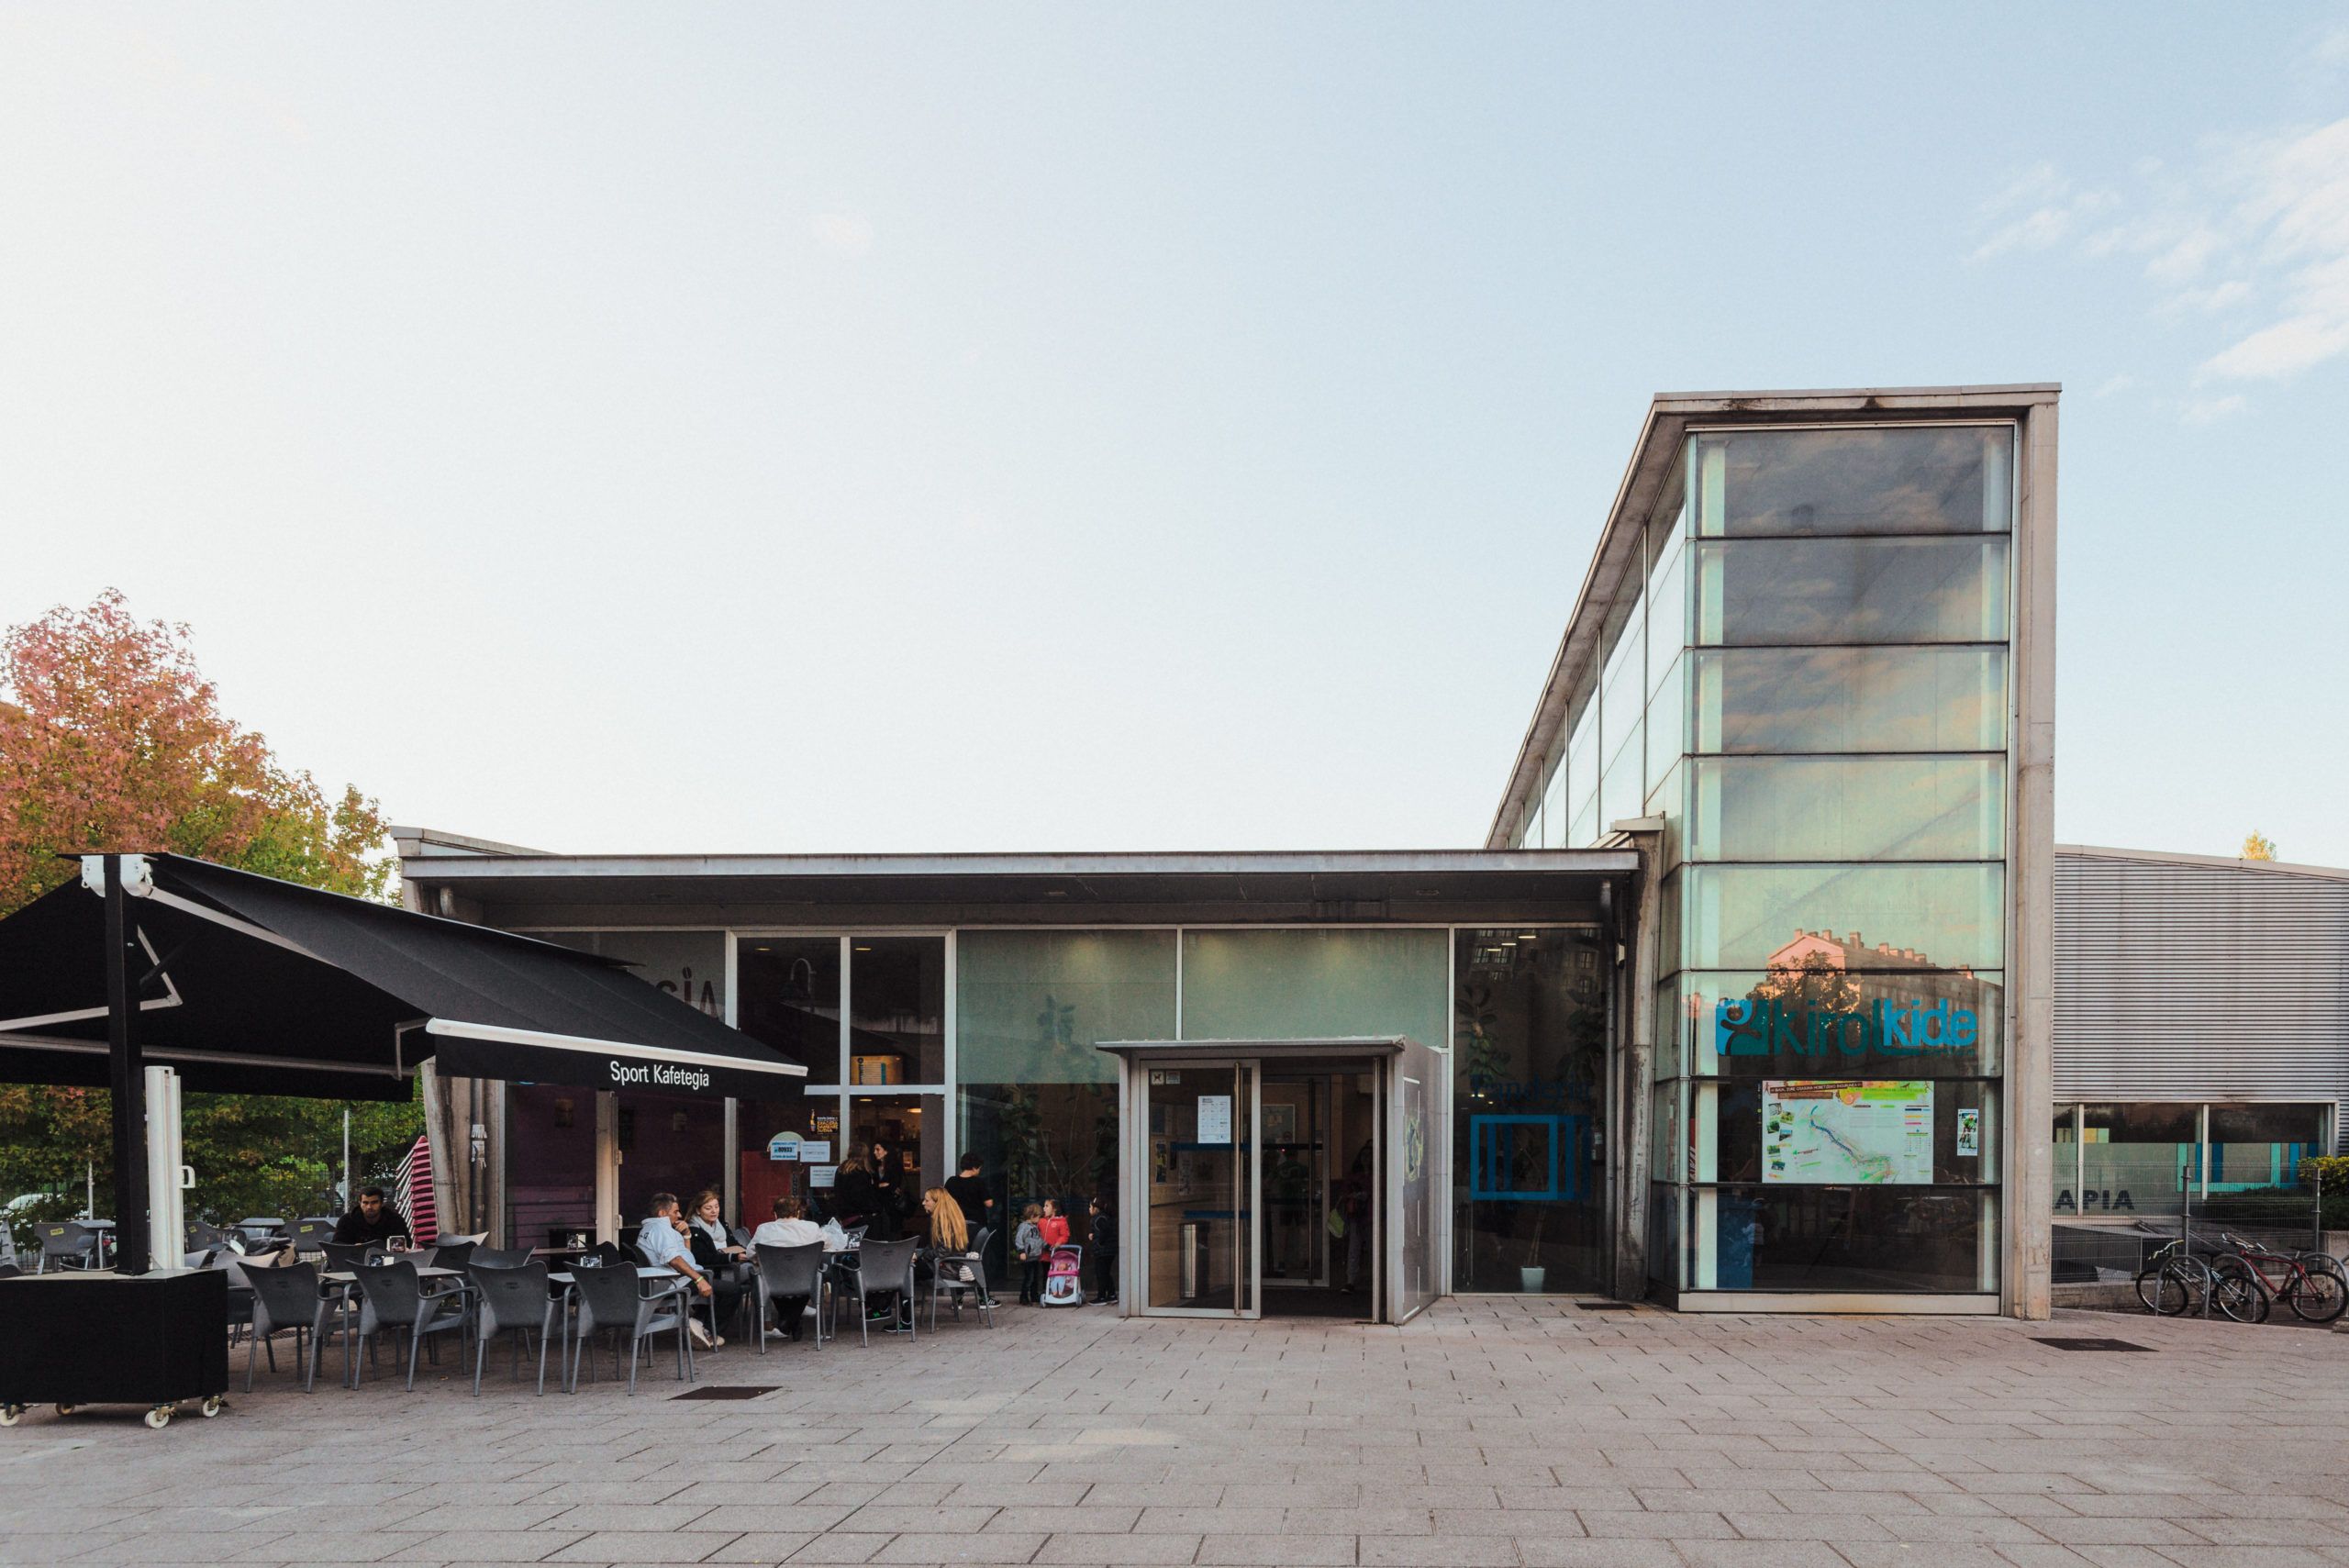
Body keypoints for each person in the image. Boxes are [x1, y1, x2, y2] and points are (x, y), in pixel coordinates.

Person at [634, 1192, 720, 1349]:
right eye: (675, 1211)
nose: (679, 1215)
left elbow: (684, 1256)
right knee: (731, 1290)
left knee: (715, 1282)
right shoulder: (662, 1230)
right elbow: (674, 1259)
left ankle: (697, 1325)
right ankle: (702, 1327)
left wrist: (686, 1235)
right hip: (677, 1283)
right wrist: (699, 1280)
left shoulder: (648, 1229)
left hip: (669, 1280)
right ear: (662, 1213)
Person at [748, 1195, 824, 1341]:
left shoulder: (764, 1229)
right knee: (814, 1271)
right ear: (797, 1213)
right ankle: (792, 1320)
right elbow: (826, 1244)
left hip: (774, 1281)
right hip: (805, 1280)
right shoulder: (811, 1227)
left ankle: (789, 1321)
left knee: (769, 1275)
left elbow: (750, 1253)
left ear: (775, 1214)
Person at [685, 1188, 750, 1335]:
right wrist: (732, 1257)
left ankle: (702, 1324)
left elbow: (734, 1244)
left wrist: (745, 1253)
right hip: (708, 1272)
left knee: (756, 1275)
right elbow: (702, 1258)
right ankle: (711, 1330)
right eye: (708, 1208)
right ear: (698, 1210)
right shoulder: (693, 1230)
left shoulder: (721, 1226)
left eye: (716, 1207)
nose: (714, 1211)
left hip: (729, 1268)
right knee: (736, 1289)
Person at [331, 1186, 412, 1248]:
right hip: (355, 1261)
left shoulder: (395, 1220)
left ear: (382, 1203)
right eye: (365, 1203)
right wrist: (353, 1247)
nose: (369, 1207)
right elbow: (336, 1244)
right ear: (360, 1203)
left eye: (374, 1202)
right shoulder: (347, 1220)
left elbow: (407, 1244)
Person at [944, 1152, 995, 1236]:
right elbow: (989, 1203)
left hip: (956, 1223)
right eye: (979, 1168)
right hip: (976, 1222)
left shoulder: (951, 1181)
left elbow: (944, 1200)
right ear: (974, 1168)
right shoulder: (978, 1182)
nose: (979, 1171)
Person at [829, 1154, 880, 1233]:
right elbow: (861, 1197)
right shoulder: (861, 1172)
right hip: (859, 1216)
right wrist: (873, 1209)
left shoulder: (841, 1169)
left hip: (845, 1216)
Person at [1086, 1195, 1118, 1306]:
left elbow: (1105, 1232)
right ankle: (1111, 1294)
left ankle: (1101, 1296)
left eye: (1090, 1207)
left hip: (1103, 1251)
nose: (1089, 1209)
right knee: (1105, 1273)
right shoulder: (1103, 1217)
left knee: (1101, 1273)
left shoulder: (1099, 1219)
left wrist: (1097, 1240)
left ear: (1095, 1208)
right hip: (1107, 1251)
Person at [1013, 1204, 1046, 1305]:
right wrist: (1021, 1251)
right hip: (1028, 1257)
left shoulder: (1035, 1227)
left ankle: (1034, 1295)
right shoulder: (1024, 1227)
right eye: (1039, 1217)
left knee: (1035, 1278)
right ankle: (1023, 1297)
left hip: (1035, 1257)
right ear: (1032, 1216)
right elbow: (1019, 1239)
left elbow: (1039, 1240)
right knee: (1029, 1278)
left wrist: (1047, 1246)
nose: (1040, 1219)